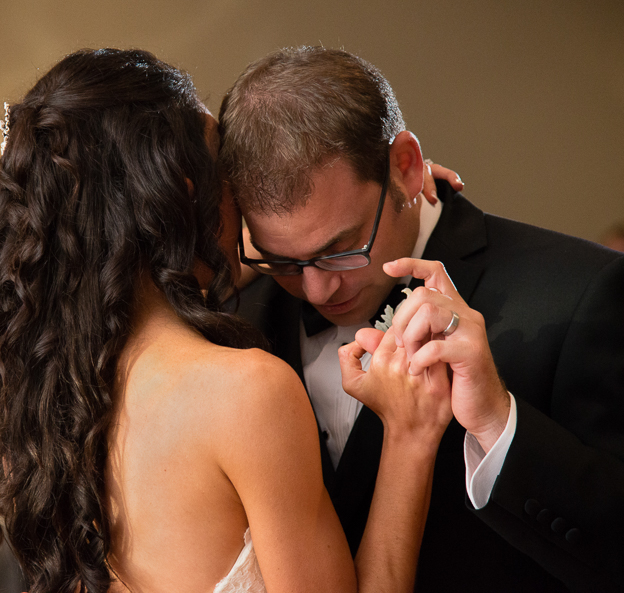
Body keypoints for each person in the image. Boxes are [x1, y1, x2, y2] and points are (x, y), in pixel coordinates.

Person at [0, 48, 457, 593]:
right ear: (187, 195)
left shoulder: (38, 396)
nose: (247, 199)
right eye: (228, 173)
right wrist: (409, 437)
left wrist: (387, 190)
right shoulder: (245, 393)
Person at [219, 46, 624, 592]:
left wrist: (498, 425)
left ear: (406, 166)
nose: (317, 288)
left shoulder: (581, 293)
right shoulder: (232, 326)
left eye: (341, 247)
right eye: (284, 259)